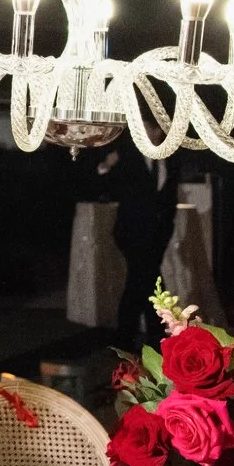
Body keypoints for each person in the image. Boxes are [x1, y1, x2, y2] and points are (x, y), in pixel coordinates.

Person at [97, 134, 176, 351]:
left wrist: (167, 228)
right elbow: (108, 186)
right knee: (146, 281)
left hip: (157, 235)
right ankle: (149, 336)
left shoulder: (169, 158)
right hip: (132, 232)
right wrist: (106, 166)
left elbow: (169, 196)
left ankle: (131, 336)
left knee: (141, 282)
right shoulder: (128, 156)